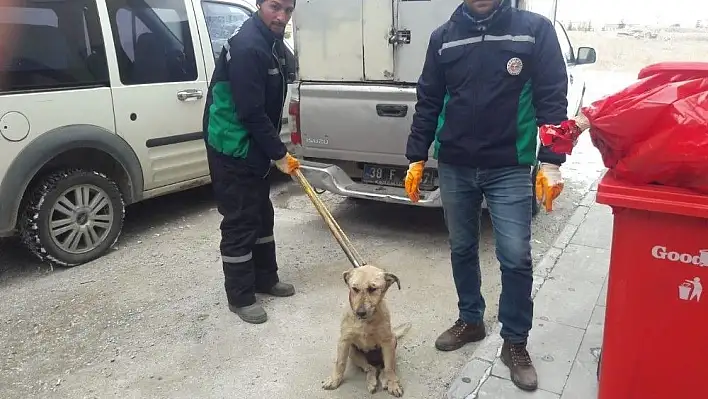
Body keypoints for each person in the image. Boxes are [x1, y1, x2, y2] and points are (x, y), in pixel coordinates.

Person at [404, 0, 568, 392]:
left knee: (515, 256)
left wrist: (551, 160)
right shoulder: (443, 38)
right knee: (461, 247)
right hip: (455, 164)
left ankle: (514, 343)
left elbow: (552, 96)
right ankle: (471, 320)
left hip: (508, 164)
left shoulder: (533, 30)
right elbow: (428, 99)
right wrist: (415, 156)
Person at [203, 0, 299, 324]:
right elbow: (250, 112)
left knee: (262, 215)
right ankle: (241, 297)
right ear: (258, 4)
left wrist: (271, 151)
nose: (282, 16)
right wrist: (281, 153)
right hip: (232, 146)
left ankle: (265, 278)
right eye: (275, 7)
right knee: (241, 220)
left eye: (288, 9)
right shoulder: (248, 47)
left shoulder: (273, 45)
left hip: (253, 145)